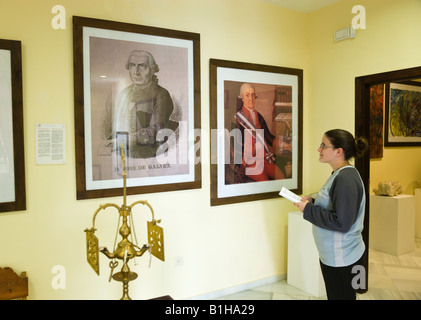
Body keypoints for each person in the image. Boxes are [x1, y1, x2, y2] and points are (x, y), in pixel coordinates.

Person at [294, 129, 369, 300]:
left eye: (323, 145)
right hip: (339, 256)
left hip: (343, 259)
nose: (318, 149)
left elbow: (342, 222)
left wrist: (308, 209)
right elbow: (336, 206)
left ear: (339, 151)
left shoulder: (346, 178)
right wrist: (312, 202)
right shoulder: (341, 174)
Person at [113, 50, 177, 158]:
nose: (136, 72)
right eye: (132, 65)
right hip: (123, 154)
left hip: (150, 156)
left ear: (152, 70)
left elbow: (157, 132)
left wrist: (122, 139)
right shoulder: (123, 93)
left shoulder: (161, 94)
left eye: (142, 66)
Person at [230, 83, 286, 182]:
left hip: (263, 159)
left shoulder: (258, 116)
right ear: (242, 98)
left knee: (281, 176)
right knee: (265, 182)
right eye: (247, 95)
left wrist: (286, 145)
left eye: (252, 95)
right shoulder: (237, 119)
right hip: (249, 162)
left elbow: (268, 137)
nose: (251, 98)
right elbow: (236, 145)